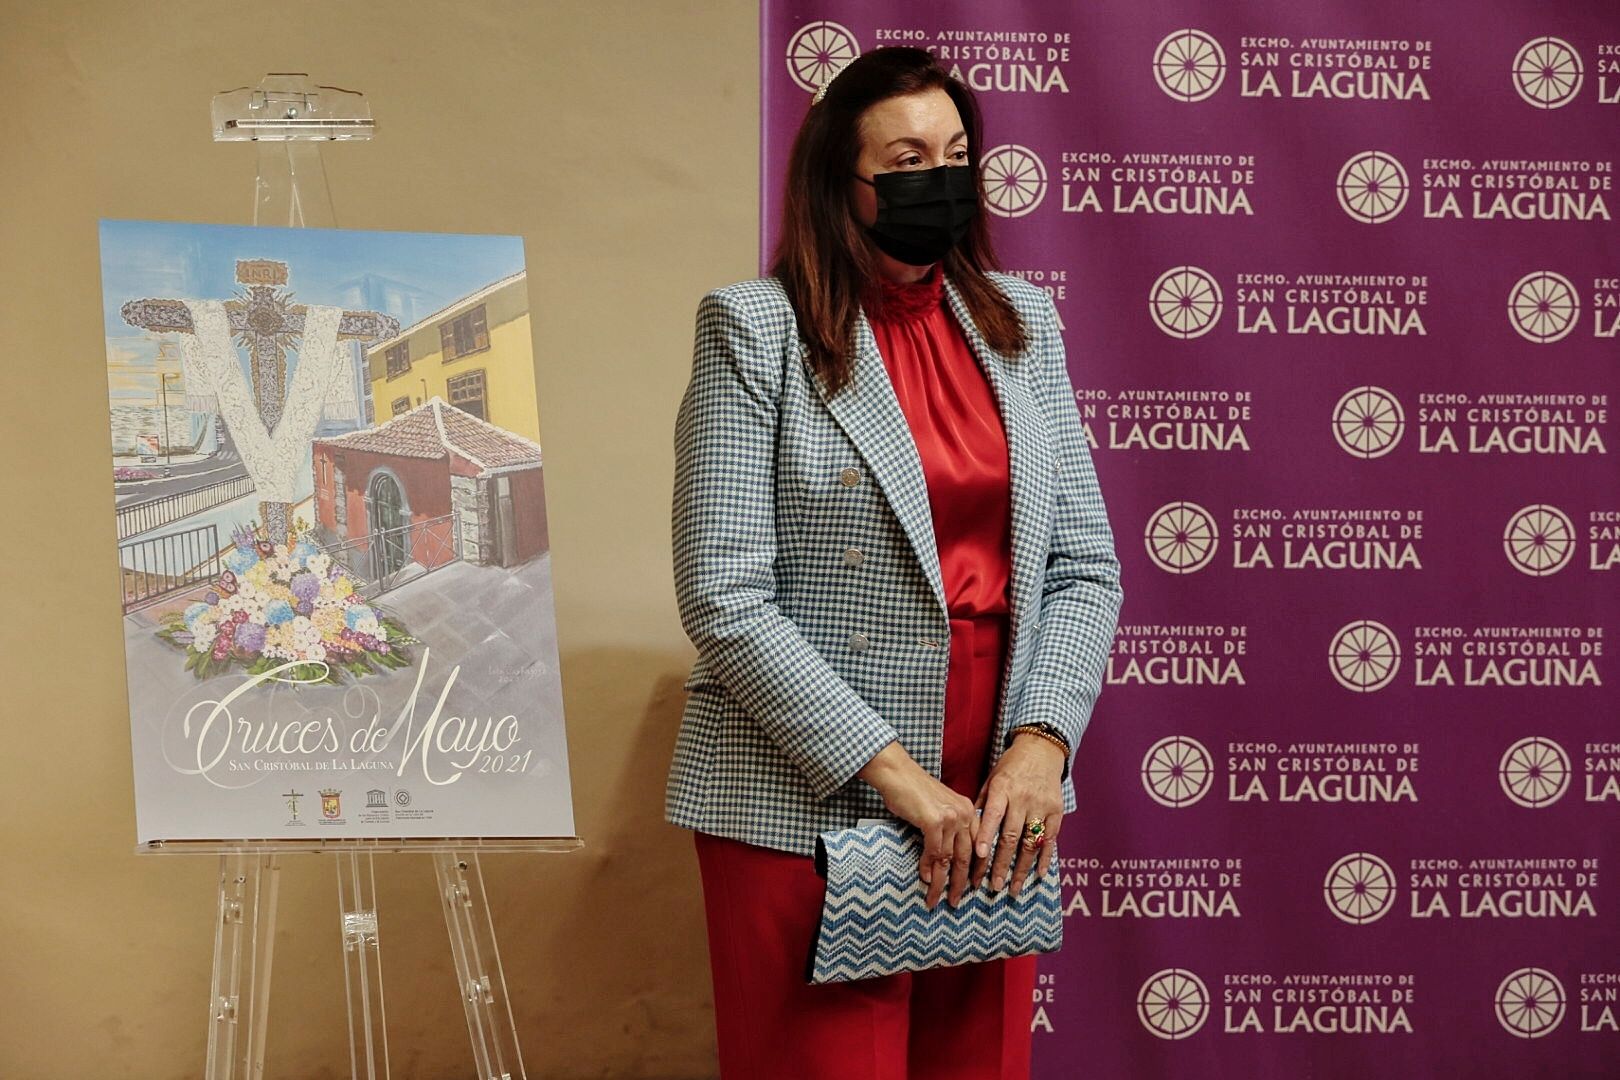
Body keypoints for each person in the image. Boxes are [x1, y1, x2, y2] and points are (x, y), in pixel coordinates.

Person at [665, 46, 1123, 1080]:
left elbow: (1084, 565)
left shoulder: (1024, 326)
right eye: (909, 160)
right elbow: (726, 596)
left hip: (998, 797)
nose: (941, 182)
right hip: (812, 796)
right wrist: (902, 783)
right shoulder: (756, 331)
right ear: (843, 183)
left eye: (957, 155)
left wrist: (1042, 746)